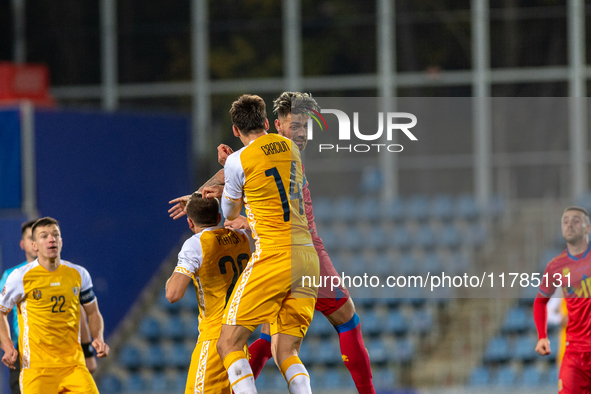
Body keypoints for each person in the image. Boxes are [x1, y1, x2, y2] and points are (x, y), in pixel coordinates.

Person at [213, 94, 319, 394]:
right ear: (265, 122)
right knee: (286, 351)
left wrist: (231, 175)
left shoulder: (237, 160)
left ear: (235, 130)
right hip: (307, 257)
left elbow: (229, 213)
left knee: (229, 342)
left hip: (275, 255)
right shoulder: (291, 148)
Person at [0, 217, 109, 393]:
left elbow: (92, 312)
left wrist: (98, 338)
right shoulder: (19, 277)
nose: (51, 239)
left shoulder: (79, 274)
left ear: (61, 241)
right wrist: (7, 347)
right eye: (44, 236)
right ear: (34, 245)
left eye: (55, 235)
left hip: (73, 366)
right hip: (37, 369)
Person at [165, 192, 254, 394]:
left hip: (214, 340)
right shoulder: (241, 236)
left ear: (189, 223)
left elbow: (173, 294)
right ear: (217, 217)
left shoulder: (195, 244)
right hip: (239, 339)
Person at [534, 206, 591, 393]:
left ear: (587, 228)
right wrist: (542, 336)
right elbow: (540, 302)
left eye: (575, 221)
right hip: (574, 353)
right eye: (565, 222)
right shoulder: (556, 266)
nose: (569, 225)